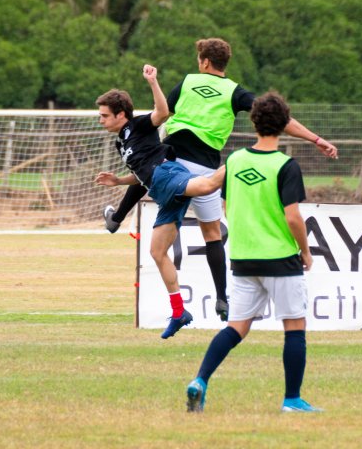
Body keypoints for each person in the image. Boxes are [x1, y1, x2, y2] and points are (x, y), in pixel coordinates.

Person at [103, 38, 337, 322]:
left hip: (174, 156)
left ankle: (117, 217)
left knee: (150, 165)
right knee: (212, 234)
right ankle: (222, 299)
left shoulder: (189, 81)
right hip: (205, 165)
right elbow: (280, 119)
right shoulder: (235, 92)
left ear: (204, 62)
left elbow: (161, 110)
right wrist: (316, 138)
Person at [186, 92, 322, 413]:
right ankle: (292, 400)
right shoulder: (286, 165)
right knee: (294, 326)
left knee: (236, 327)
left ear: (254, 122)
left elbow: (220, 201)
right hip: (280, 259)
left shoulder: (234, 161)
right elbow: (292, 217)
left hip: (243, 259)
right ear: (283, 125)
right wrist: (305, 251)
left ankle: (200, 380)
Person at [95, 64, 225, 339]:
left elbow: (163, 113)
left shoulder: (138, 125)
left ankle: (242, 160)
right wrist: (119, 181)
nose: (101, 120)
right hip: (162, 190)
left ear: (121, 114)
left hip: (167, 175)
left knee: (208, 185)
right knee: (156, 252)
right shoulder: (121, 142)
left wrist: (153, 82)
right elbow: (139, 174)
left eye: (104, 116)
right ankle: (179, 313)